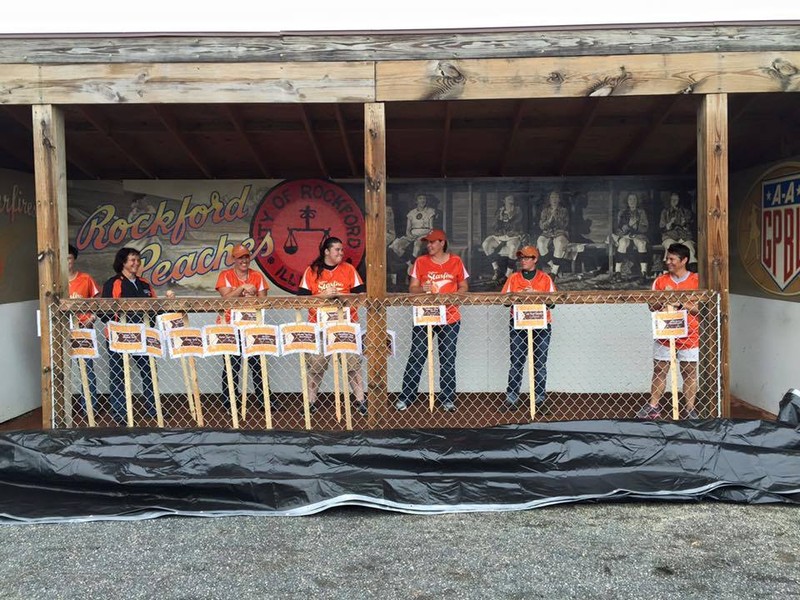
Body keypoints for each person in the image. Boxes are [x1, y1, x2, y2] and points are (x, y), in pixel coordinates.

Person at [396, 229, 469, 412]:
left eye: (432, 242)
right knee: (417, 356)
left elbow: (464, 286)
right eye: (427, 242)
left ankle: (447, 398)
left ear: (442, 242)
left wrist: (454, 298)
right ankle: (406, 396)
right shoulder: (421, 262)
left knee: (448, 358)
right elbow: (412, 289)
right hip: (426, 314)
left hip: (450, 316)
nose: (428, 245)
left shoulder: (456, 261)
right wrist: (422, 288)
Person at [298, 237, 367, 414]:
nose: (341, 253)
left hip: (346, 325)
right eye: (337, 250)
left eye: (342, 250)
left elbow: (361, 295)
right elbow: (301, 300)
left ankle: (361, 401)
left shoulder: (349, 269)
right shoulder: (312, 271)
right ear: (326, 251)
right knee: (316, 366)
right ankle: (310, 402)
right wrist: (323, 295)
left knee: (353, 365)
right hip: (319, 326)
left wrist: (341, 296)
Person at [637, 243, 699, 420]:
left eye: (672, 259)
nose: (668, 262)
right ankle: (653, 406)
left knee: (689, 372)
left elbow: (702, 309)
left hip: (690, 334)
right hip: (665, 332)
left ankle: (689, 409)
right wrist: (663, 298)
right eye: (667, 258)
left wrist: (679, 303)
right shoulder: (661, 281)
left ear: (684, 260)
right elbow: (652, 306)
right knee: (659, 370)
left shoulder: (696, 280)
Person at [101, 247, 157, 424]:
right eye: (132, 260)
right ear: (123, 262)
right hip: (120, 335)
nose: (136, 263)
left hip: (143, 334)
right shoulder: (114, 283)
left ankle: (153, 409)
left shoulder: (145, 284)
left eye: (137, 259)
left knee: (149, 372)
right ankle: (119, 414)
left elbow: (156, 308)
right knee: (118, 374)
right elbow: (105, 312)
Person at [501, 245, 556, 411]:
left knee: (539, 363)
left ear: (535, 259)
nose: (523, 261)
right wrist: (520, 296)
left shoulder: (545, 278)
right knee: (516, 361)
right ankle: (512, 398)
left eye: (526, 258)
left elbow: (552, 303)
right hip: (519, 324)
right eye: (521, 258)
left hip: (541, 324)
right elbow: (504, 301)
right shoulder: (514, 278)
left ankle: (539, 399)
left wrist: (535, 294)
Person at [215, 244, 269, 405]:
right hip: (230, 325)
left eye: (246, 257)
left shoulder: (257, 276)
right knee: (232, 364)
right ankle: (230, 399)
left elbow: (263, 301)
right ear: (233, 259)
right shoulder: (225, 275)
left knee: (257, 363)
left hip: (252, 324)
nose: (244, 260)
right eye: (240, 258)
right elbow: (226, 299)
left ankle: (263, 399)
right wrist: (242, 289)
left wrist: (249, 298)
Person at [67, 244, 100, 414]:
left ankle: (89, 405)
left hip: (83, 329)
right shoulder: (55, 283)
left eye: (69, 258)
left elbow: (97, 301)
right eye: (63, 258)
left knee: (86, 367)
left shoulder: (85, 279)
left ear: (74, 260)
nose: (66, 262)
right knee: (61, 366)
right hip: (63, 329)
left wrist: (92, 317)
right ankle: (63, 406)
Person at [481, 194, 524, 283]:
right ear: (504, 201)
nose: (510, 201)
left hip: (512, 236)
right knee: (486, 244)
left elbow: (516, 225)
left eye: (512, 199)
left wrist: (511, 216)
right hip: (499, 236)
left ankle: (507, 275)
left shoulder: (518, 210)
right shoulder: (500, 211)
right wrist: (499, 219)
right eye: (508, 199)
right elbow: (495, 226)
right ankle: (497, 269)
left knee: (513, 247)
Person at [389, 193, 436, 267]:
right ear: (416, 201)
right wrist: (409, 235)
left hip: (425, 234)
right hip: (412, 234)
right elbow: (408, 229)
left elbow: (431, 228)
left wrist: (423, 236)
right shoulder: (411, 213)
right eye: (420, 199)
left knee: (418, 243)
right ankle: (408, 261)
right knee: (396, 245)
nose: (422, 200)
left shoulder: (430, 211)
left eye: (424, 199)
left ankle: (413, 263)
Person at [613, 192, 650, 281]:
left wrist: (636, 227)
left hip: (638, 235)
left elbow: (645, 227)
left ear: (637, 201)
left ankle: (643, 272)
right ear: (627, 201)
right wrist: (624, 229)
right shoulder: (622, 213)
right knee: (622, 243)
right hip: (626, 236)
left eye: (634, 199)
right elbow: (617, 227)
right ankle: (617, 272)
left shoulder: (641, 212)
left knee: (642, 243)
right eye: (630, 199)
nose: (632, 201)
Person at [536, 190, 570, 279]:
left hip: (559, 232)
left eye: (556, 197)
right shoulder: (545, 211)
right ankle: (554, 266)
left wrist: (556, 218)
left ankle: (553, 273)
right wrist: (550, 219)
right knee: (540, 243)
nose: (554, 199)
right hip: (547, 233)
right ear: (549, 200)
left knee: (559, 244)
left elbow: (565, 225)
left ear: (559, 199)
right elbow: (542, 226)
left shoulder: (563, 210)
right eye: (552, 197)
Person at [659, 192, 697, 270]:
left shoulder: (686, 212)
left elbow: (690, 226)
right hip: (669, 237)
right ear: (670, 201)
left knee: (690, 248)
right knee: (670, 248)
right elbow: (661, 227)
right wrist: (669, 223)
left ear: (679, 201)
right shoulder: (665, 212)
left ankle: (693, 273)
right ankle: (667, 273)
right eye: (673, 199)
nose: (674, 201)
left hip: (684, 237)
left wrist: (684, 223)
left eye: (676, 200)